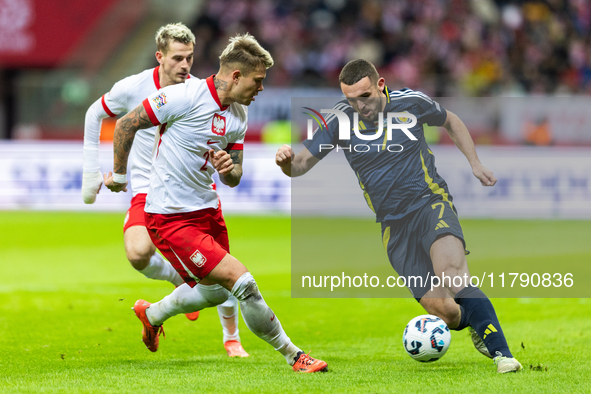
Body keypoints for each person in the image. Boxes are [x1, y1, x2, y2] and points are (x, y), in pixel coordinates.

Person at [275, 59, 521, 373]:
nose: (359, 106)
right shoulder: (340, 120)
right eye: (351, 100)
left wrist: (475, 162)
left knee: (454, 275)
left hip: (430, 204)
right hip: (393, 226)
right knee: (444, 311)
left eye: (364, 97)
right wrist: (286, 162)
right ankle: (475, 321)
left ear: (380, 85)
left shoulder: (410, 103)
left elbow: (452, 120)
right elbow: (301, 163)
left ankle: (504, 356)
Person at [104, 33, 328, 373]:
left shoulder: (238, 115)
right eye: (259, 81)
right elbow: (126, 124)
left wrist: (229, 168)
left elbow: (234, 176)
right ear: (236, 76)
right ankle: (294, 355)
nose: (262, 89)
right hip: (170, 217)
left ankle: (151, 314)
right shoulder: (182, 97)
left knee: (215, 294)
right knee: (243, 284)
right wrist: (119, 176)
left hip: (208, 211)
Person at [82, 22, 248, 357]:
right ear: (159, 57)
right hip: (149, 188)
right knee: (137, 253)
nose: (185, 66)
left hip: (193, 193)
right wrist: (101, 174)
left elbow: (227, 144)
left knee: (223, 267)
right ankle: (177, 278)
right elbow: (95, 114)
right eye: (177, 59)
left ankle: (231, 338)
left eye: (189, 58)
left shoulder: (198, 93)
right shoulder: (134, 86)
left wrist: (227, 165)